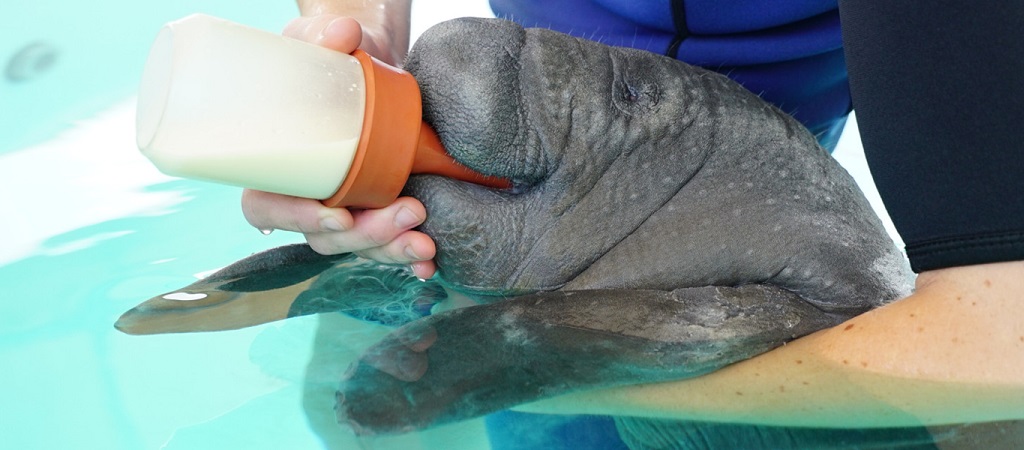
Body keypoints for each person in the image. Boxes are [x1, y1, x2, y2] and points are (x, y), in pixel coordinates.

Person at [242, 0, 1024, 435]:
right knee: (349, 372)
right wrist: (356, 47)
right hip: (574, 131)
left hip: (737, 168)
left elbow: (1004, 340)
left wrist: (534, 377)